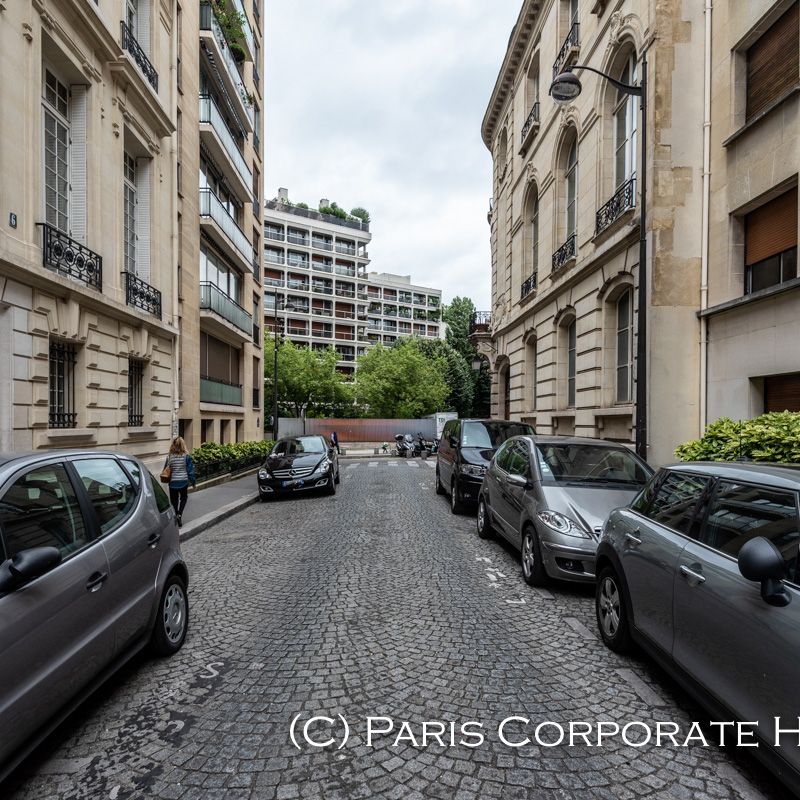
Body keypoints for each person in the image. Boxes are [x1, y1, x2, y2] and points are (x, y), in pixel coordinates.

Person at [164, 436, 196, 527]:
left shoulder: (169, 457)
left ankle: (176, 513)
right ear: (183, 445)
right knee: (183, 498)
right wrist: (193, 483)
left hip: (173, 482)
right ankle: (180, 514)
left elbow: (165, 470)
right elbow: (190, 471)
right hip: (183, 482)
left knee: (174, 501)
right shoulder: (187, 457)